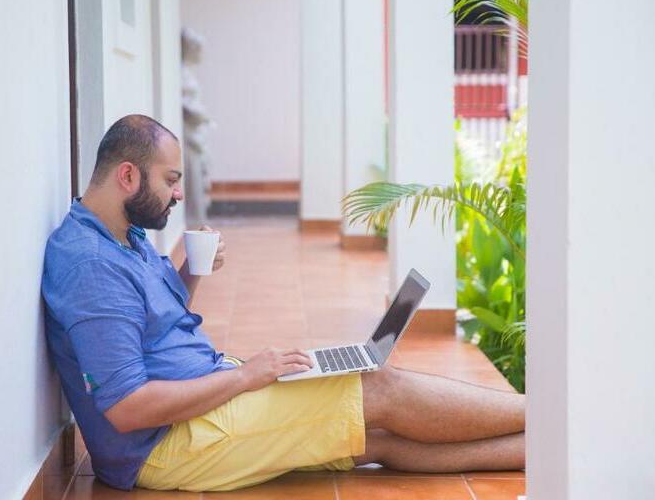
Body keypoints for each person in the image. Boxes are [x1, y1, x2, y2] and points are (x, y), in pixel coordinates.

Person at [42, 114, 525, 493]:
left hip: (201, 398)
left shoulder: (123, 235)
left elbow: (153, 324)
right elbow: (127, 409)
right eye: (170, 179)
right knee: (379, 387)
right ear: (128, 175)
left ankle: (543, 442)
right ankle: (546, 413)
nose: (179, 193)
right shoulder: (91, 266)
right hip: (167, 445)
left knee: (372, 439)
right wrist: (245, 377)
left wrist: (191, 270)